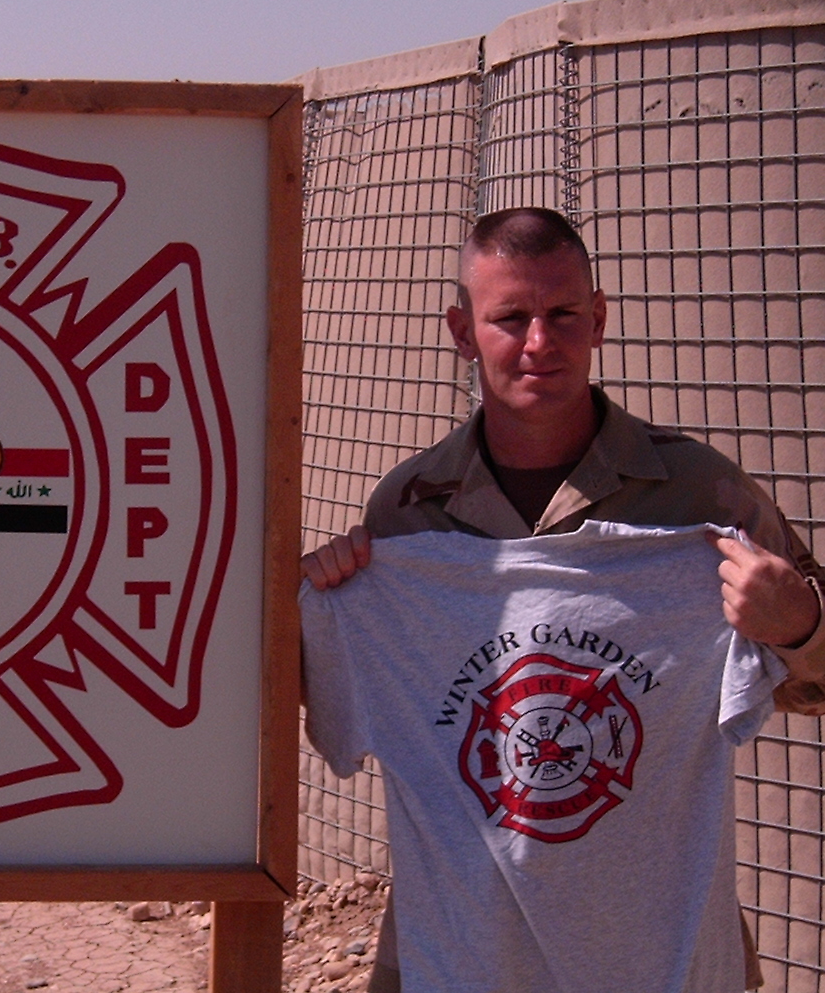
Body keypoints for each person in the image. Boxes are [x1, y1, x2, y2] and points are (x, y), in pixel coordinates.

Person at [299, 206, 825, 993]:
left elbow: (815, 682)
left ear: (600, 318)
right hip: (461, 951)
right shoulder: (405, 514)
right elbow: (325, 708)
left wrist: (803, 628)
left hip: (660, 953)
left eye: (563, 314)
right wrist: (326, 598)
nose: (540, 342)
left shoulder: (700, 498)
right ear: (461, 330)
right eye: (510, 317)